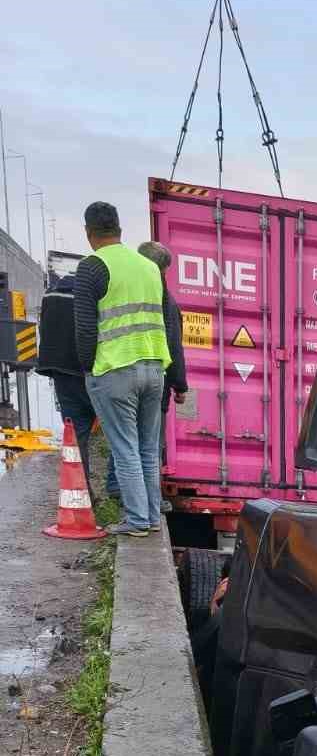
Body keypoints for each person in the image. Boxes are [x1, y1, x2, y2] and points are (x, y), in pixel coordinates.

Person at [74, 200, 171, 537]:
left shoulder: (92, 266)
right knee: (147, 447)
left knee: (125, 447)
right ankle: (152, 516)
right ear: (120, 230)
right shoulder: (148, 267)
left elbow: (85, 328)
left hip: (115, 368)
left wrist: (88, 369)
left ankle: (137, 520)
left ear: (89, 234)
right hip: (154, 367)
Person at [102, 241, 188, 507]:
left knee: (124, 433)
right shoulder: (163, 298)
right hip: (153, 378)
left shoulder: (121, 290)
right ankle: (149, 504)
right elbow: (172, 343)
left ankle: (116, 483)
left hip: (118, 369)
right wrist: (180, 384)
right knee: (150, 444)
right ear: (164, 270)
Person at [36, 273, 100, 496]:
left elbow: (44, 330)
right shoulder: (89, 294)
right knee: (118, 432)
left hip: (61, 371)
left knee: (75, 433)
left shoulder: (51, 293)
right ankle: (117, 489)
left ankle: (82, 492)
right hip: (87, 369)